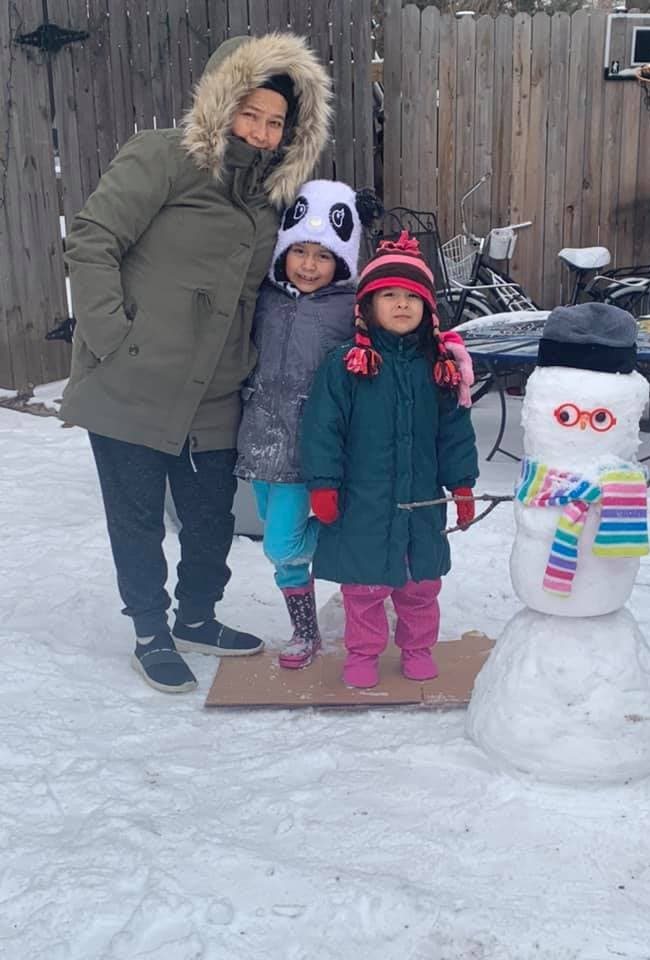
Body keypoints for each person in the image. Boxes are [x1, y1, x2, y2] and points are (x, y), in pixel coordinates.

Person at [59, 34, 332, 694]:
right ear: (221, 101)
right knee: (138, 519)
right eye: (251, 114)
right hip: (133, 377)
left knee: (210, 518)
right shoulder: (162, 158)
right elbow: (93, 239)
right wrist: (111, 337)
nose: (262, 133)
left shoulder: (271, 199)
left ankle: (199, 618)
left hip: (216, 389)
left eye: (276, 123)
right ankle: (151, 631)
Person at [300, 232, 480, 689]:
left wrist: (460, 484)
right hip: (363, 499)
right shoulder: (346, 364)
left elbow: (454, 430)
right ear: (367, 306)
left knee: (420, 584)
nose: (402, 305)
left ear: (427, 307)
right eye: (389, 296)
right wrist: (323, 485)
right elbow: (324, 428)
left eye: (411, 297)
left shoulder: (438, 366)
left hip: (421, 498)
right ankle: (362, 653)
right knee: (363, 587)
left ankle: (417, 648)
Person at [234, 180, 380, 669]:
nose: (309, 264)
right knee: (283, 550)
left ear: (342, 259)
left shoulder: (351, 309)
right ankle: (304, 632)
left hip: (309, 446)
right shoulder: (266, 298)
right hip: (259, 436)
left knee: (280, 543)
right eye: (300, 251)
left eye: (322, 254)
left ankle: (352, 536)